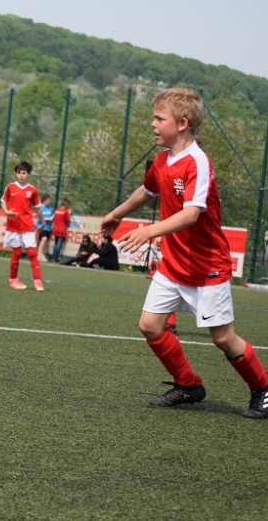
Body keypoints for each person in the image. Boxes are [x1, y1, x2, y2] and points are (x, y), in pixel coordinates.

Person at [100, 87, 268, 419]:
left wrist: (148, 231)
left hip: (207, 267)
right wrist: (116, 214)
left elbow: (191, 214)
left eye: (159, 118)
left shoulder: (197, 162)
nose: (153, 124)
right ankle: (188, 384)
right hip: (173, 266)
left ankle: (263, 387)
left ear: (182, 123)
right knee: (150, 325)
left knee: (224, 339)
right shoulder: (162, 160)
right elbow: (146, 190)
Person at [1, 161, 46, 290]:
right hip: (13, 225)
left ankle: (37, 281)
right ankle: (13, 280)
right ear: (16, 174)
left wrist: (43, 221)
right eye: (19, 173)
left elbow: (37, 208)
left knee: (32, 252)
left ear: (29, 175)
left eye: (24, 173)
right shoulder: (10, 187)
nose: (21, 175)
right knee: (16, 253)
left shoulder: (32, 190)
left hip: (27, 225)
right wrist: (7, 212)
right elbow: (3, 201)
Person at [36, 195, 54, 261]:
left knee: (44, 241)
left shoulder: (50, 209)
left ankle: (41, 254)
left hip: (48, 228)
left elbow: (52, 217)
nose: (49, 202)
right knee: (44, 239)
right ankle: (39, 255)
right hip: (41, 227)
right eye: (48, 201)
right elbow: (39, 218)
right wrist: (48, 219)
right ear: (44, 200)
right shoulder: (40, 208)